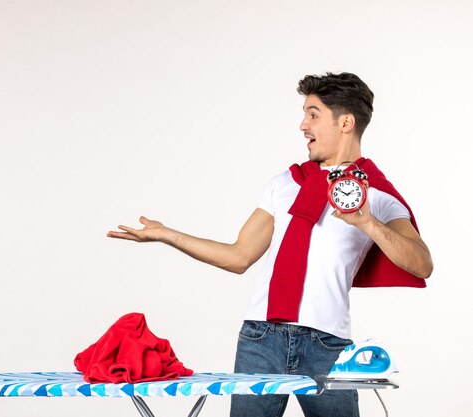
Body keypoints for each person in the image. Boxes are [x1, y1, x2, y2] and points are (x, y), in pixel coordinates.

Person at [107, 72, 433, 417]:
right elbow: (239, 256)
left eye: (313, 114)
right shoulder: (284, 184)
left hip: (326, 345)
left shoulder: (377, 195)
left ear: (346, 122)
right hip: (261, 340)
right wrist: (167, 234)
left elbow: (421, 263)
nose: (302, 125)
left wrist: (368, 222)